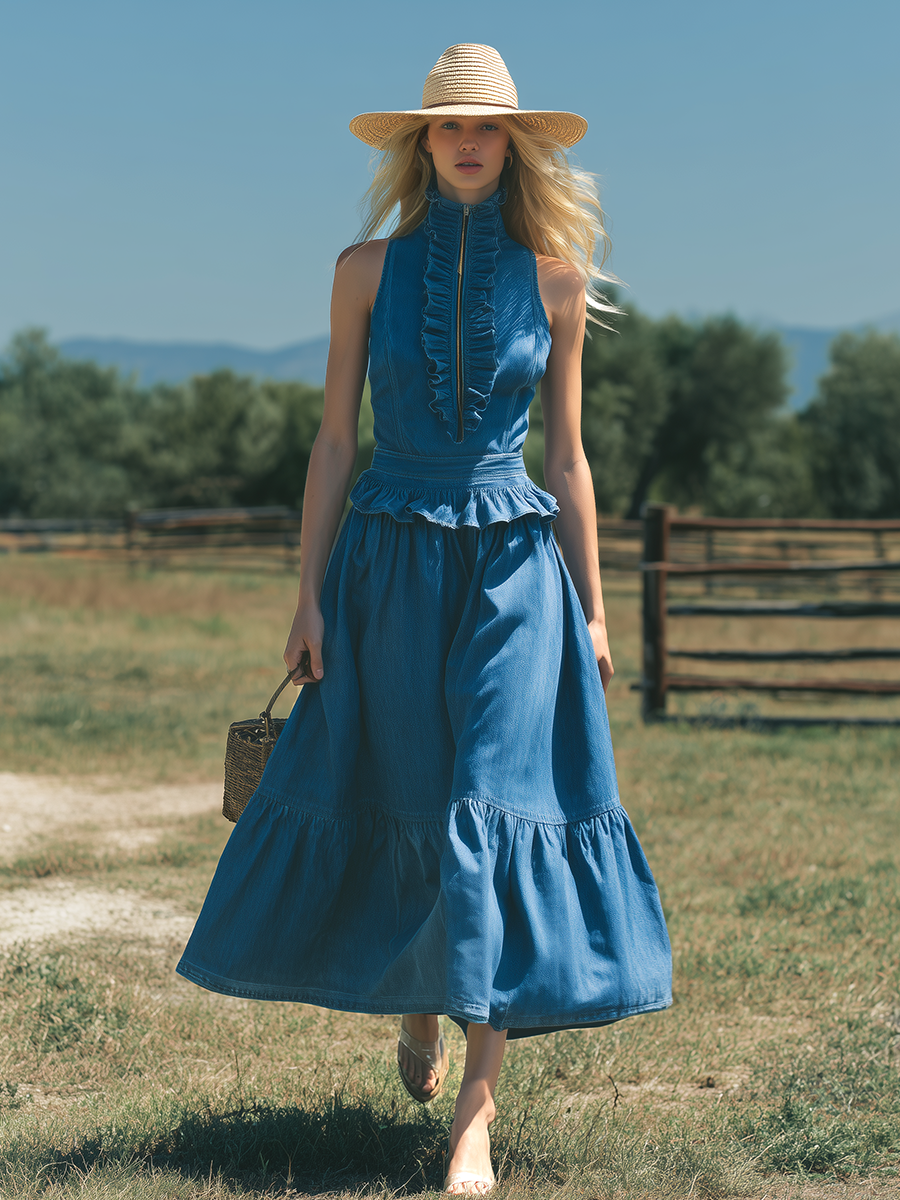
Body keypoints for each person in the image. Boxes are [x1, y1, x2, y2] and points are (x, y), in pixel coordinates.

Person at [177, 43, 672, 1195]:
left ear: (515, 145)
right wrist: (306, 593)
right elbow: (334, 441)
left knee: (488, 803)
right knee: (407, 787)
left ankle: (474, 1120)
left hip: (515, 572)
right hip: (386, 563)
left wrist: (596, 614)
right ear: (421, 142)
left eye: (488, 127)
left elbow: (567, 459)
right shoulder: (362, 271)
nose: (468, 142)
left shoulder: (556, 283)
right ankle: (418, 997)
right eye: (449, 125)